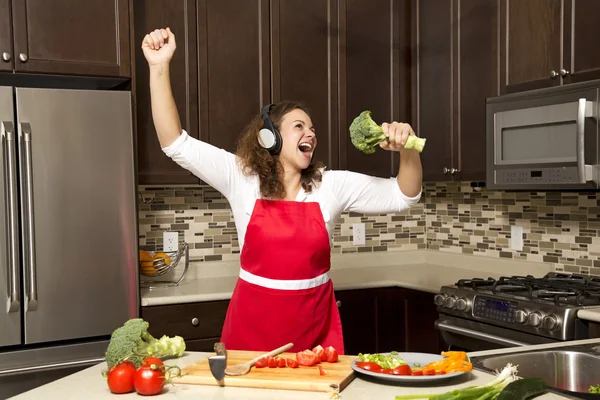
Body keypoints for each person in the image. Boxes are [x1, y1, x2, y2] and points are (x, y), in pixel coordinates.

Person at [141, 28, 423, 355]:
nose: (311, 134)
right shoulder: (240, 177)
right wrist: (158, 67)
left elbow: (404, 195)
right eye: (299, 126)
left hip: (313, 339)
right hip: (250, 334)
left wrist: (408, 149)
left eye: (313, 129)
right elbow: (175, 144)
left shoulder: (331, 185)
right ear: (268, 138)